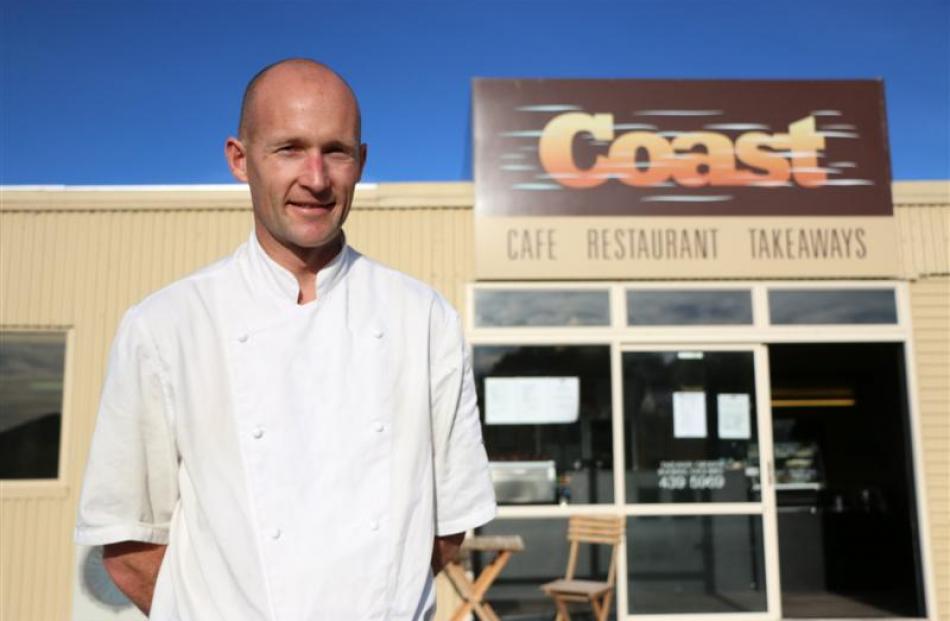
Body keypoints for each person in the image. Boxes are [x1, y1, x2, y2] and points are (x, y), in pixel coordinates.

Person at [75, 58, 497, 620]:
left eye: (337, 151)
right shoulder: (165, 326)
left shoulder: (425, 320)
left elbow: (447, 531)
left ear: (361, 162)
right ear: (239, 160)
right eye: (290, 148)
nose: (317, 178)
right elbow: (129, 545)